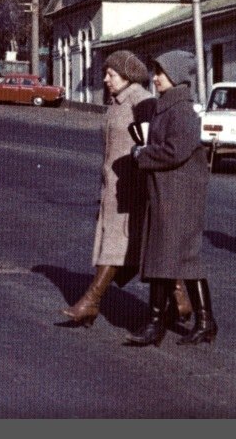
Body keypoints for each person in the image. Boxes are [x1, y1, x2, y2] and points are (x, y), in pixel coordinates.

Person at [126, 50, 216, 347]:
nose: (155, 78)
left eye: (160, 73)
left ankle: (156, 323)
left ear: (176, 76)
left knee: (163, 257)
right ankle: (205, 322)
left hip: (178, 195)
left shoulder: (181, 110)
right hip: (171, 191)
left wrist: (142, 154)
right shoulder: (169, 107)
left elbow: (174, 151)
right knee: (185, 259)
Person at [60, 51, 154, 326]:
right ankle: (181, 299)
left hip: (130, 188)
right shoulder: (117, 102)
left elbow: (149, 144)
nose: (105, 79)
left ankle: (91, 300)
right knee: (123, 245)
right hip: (112, 187)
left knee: (117, 243)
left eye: (111, 74)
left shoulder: (141, 101)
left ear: (127, 76)